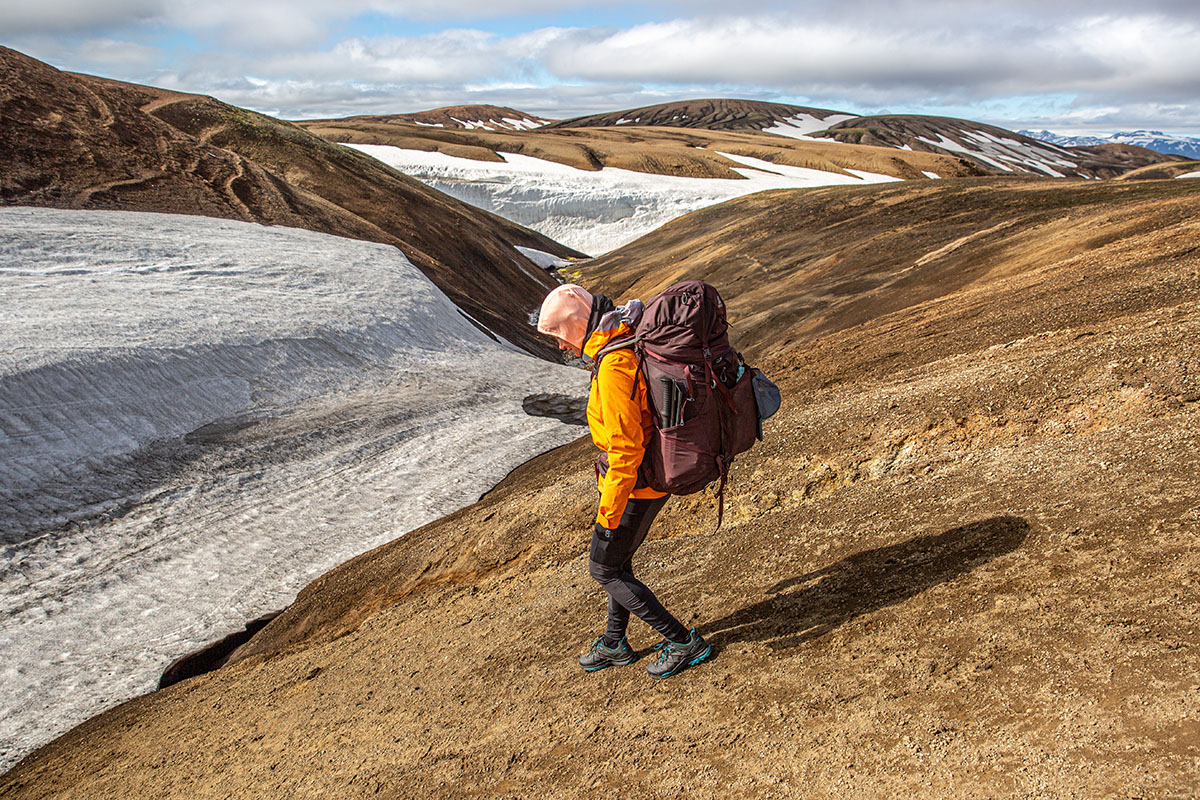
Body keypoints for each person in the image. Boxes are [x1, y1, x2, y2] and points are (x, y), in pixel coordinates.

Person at [536, 284, 712, 679]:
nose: (562, 347)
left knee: (604, 569)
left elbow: (625, 450)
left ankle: (683, 641)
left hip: (637, 486)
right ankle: (615, 643)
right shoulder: (618, 341)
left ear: (577, 326)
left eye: (561, 336)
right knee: (619, 562)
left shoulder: (614, 366)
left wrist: (607, 514)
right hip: (643, 480)